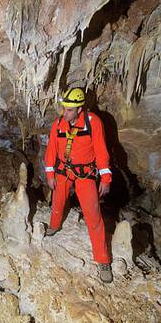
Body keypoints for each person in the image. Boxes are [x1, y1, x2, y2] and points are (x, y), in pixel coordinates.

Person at [43, 87, 113, 283]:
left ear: (80, 109)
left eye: (70, 110)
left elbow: (101, 151)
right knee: (57, 201)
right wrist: (50, 174)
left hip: (85, 174)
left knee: (93, 215)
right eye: (64, 108)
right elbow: (51, 150)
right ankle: (54, 226)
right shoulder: (58, 124)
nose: (65, 113)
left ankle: (103, 260)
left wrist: (106, 179)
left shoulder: (93, 123)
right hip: (63, 171)